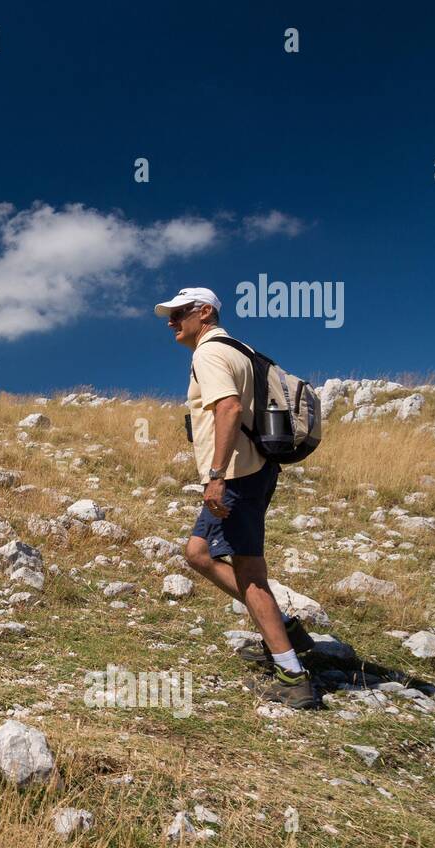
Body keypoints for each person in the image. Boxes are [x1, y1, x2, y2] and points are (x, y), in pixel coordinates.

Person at [156, 288, 318, 709]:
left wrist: (215, 476)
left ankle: (291, 674)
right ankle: (285, 631)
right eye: (170, 316)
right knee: (198, 553)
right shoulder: (240, 349)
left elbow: (227, 409)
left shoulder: (209, 353)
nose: (172, 322)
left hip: (236, 477)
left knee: (249, 573)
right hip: (255, 470)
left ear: (204, 312)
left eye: (179, 313)